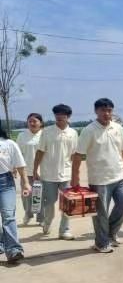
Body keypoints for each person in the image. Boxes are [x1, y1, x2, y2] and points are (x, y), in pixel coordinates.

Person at [72, 98, 123, 253]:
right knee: (101, 214)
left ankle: (110, 233)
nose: (106, 113)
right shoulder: (89, 130)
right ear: (96, 111)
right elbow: (78, 156)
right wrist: (75, 178)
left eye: (109, 110)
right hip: (99, 179)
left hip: (120, 176)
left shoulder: (118, 128)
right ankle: (101, 243)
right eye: (103, 110)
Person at [33, 104, 78, 240]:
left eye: (62, 114)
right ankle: (47, 222)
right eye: (56, 114)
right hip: (48, 175)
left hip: (66, 175)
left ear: (68, 116)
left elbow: (74, 155)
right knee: (49, 203)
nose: (59, 116)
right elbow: (40, 152)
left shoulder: (73, 133)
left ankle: (64, 230)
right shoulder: (47, 132)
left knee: (67, 203)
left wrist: (75, 174)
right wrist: (35, 170)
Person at [0, 124, 31, 263]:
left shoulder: (9, 144)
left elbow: (20, 165)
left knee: (8, 215)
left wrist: (26, 183)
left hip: (5, 182)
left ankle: (13, 250)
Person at [16, 113, 44, 226]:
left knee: (40, 195)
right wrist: (14, 167)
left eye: (35, 121)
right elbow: (17, 154)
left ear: (40, 123)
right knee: (26, 195)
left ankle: (41, 218)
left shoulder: (45, 135)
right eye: (30, 121)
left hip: (42, 171)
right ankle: (28, 214)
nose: (32, 123)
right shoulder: (22, 136)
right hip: (26, 171)